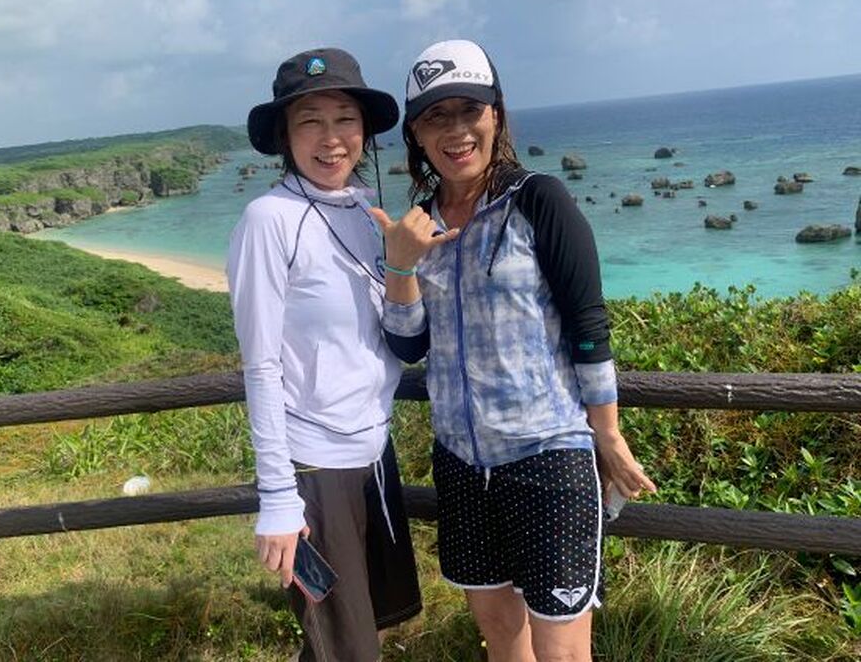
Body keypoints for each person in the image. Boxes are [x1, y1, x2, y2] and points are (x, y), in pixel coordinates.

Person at [371, 39, 656, 662]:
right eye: (435, 117)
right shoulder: (418, 224)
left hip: (547, 456)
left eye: (469, 110)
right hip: (460, 461)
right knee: (501, 635)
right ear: (416, 133)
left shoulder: (538, 200)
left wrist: (607, 433)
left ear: (496, 114)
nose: (455, 131)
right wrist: (400, 264)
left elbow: (588, 323)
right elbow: (409, 343)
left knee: (563, 651)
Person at [227, 47, 422, 662]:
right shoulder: (268, 220)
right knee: (344, 645)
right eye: (310, 121)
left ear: (365, 131)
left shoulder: (367, 210)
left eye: (345, 119)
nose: (331, 138)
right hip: (314, 468)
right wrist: (278, 497)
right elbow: (261, 365)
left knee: (364, 630)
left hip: (374, 453)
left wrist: (405, 265)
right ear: (286, 137)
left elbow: (390, 333)